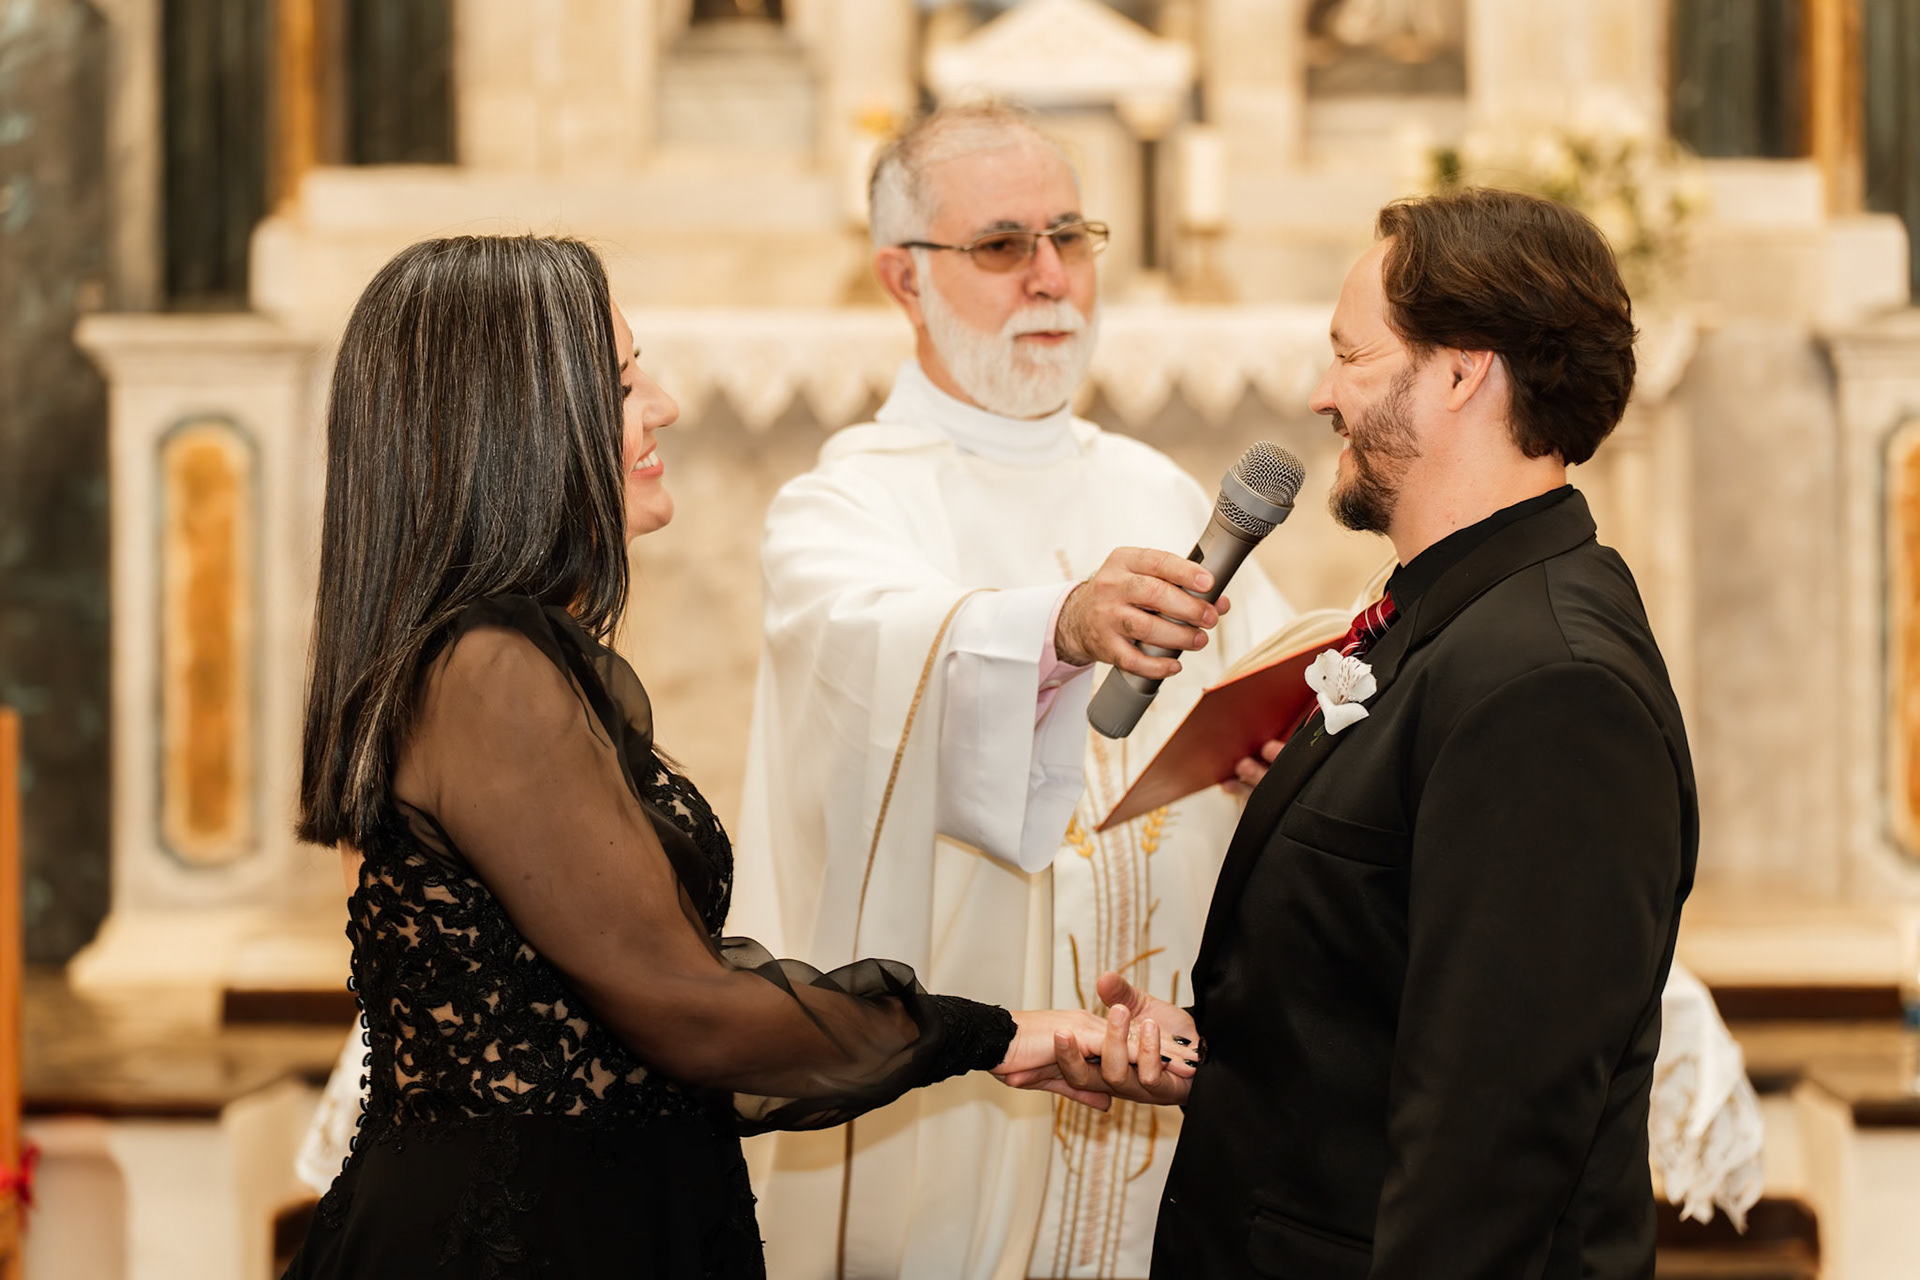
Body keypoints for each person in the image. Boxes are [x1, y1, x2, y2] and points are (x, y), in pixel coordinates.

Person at [280, 234, 1149, 1279]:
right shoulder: (485, 671)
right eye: (624, 380)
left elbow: (643, 994)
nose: (666, 406)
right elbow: (688, 1008)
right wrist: (986, 1032)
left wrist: (997, 1032)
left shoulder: (492, 659)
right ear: (515, 424)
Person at [1027, 188, 1699, 1278]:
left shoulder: (1552, 686)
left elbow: (1488, 1154)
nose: (1320, 393)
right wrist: (1223, 1052)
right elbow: (1398, 1000)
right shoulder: (1447, 619)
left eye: (1351, 355)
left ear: (1459, 369)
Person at [730, 104, 1290, 1280]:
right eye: (1001, 245)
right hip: (963, 1092)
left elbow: (1268, 690)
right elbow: (867, 646)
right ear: (903, 277)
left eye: (1072, 237)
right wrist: (1058, 625)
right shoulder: (846, 506)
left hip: (1162, 1054)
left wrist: (1281, 757)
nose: (1051, 277)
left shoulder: (1152, 482)